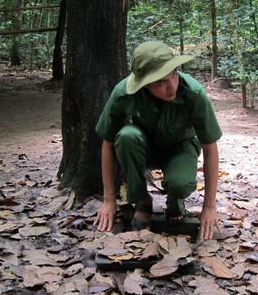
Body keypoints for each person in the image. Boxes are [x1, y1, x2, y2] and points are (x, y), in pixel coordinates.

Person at [93, 41, 222, 240]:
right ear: (144, 84)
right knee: (126, 136)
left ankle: (175, 200)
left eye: (174, 74)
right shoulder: (123, 93)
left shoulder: (194, 93)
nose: (171, 86)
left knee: (180, 183)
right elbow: (108, 143)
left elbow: (210, 147)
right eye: (160, 82)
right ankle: (142, 200)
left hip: (181, 148)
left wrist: (209, 207)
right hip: (143, 147)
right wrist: (109, 200)